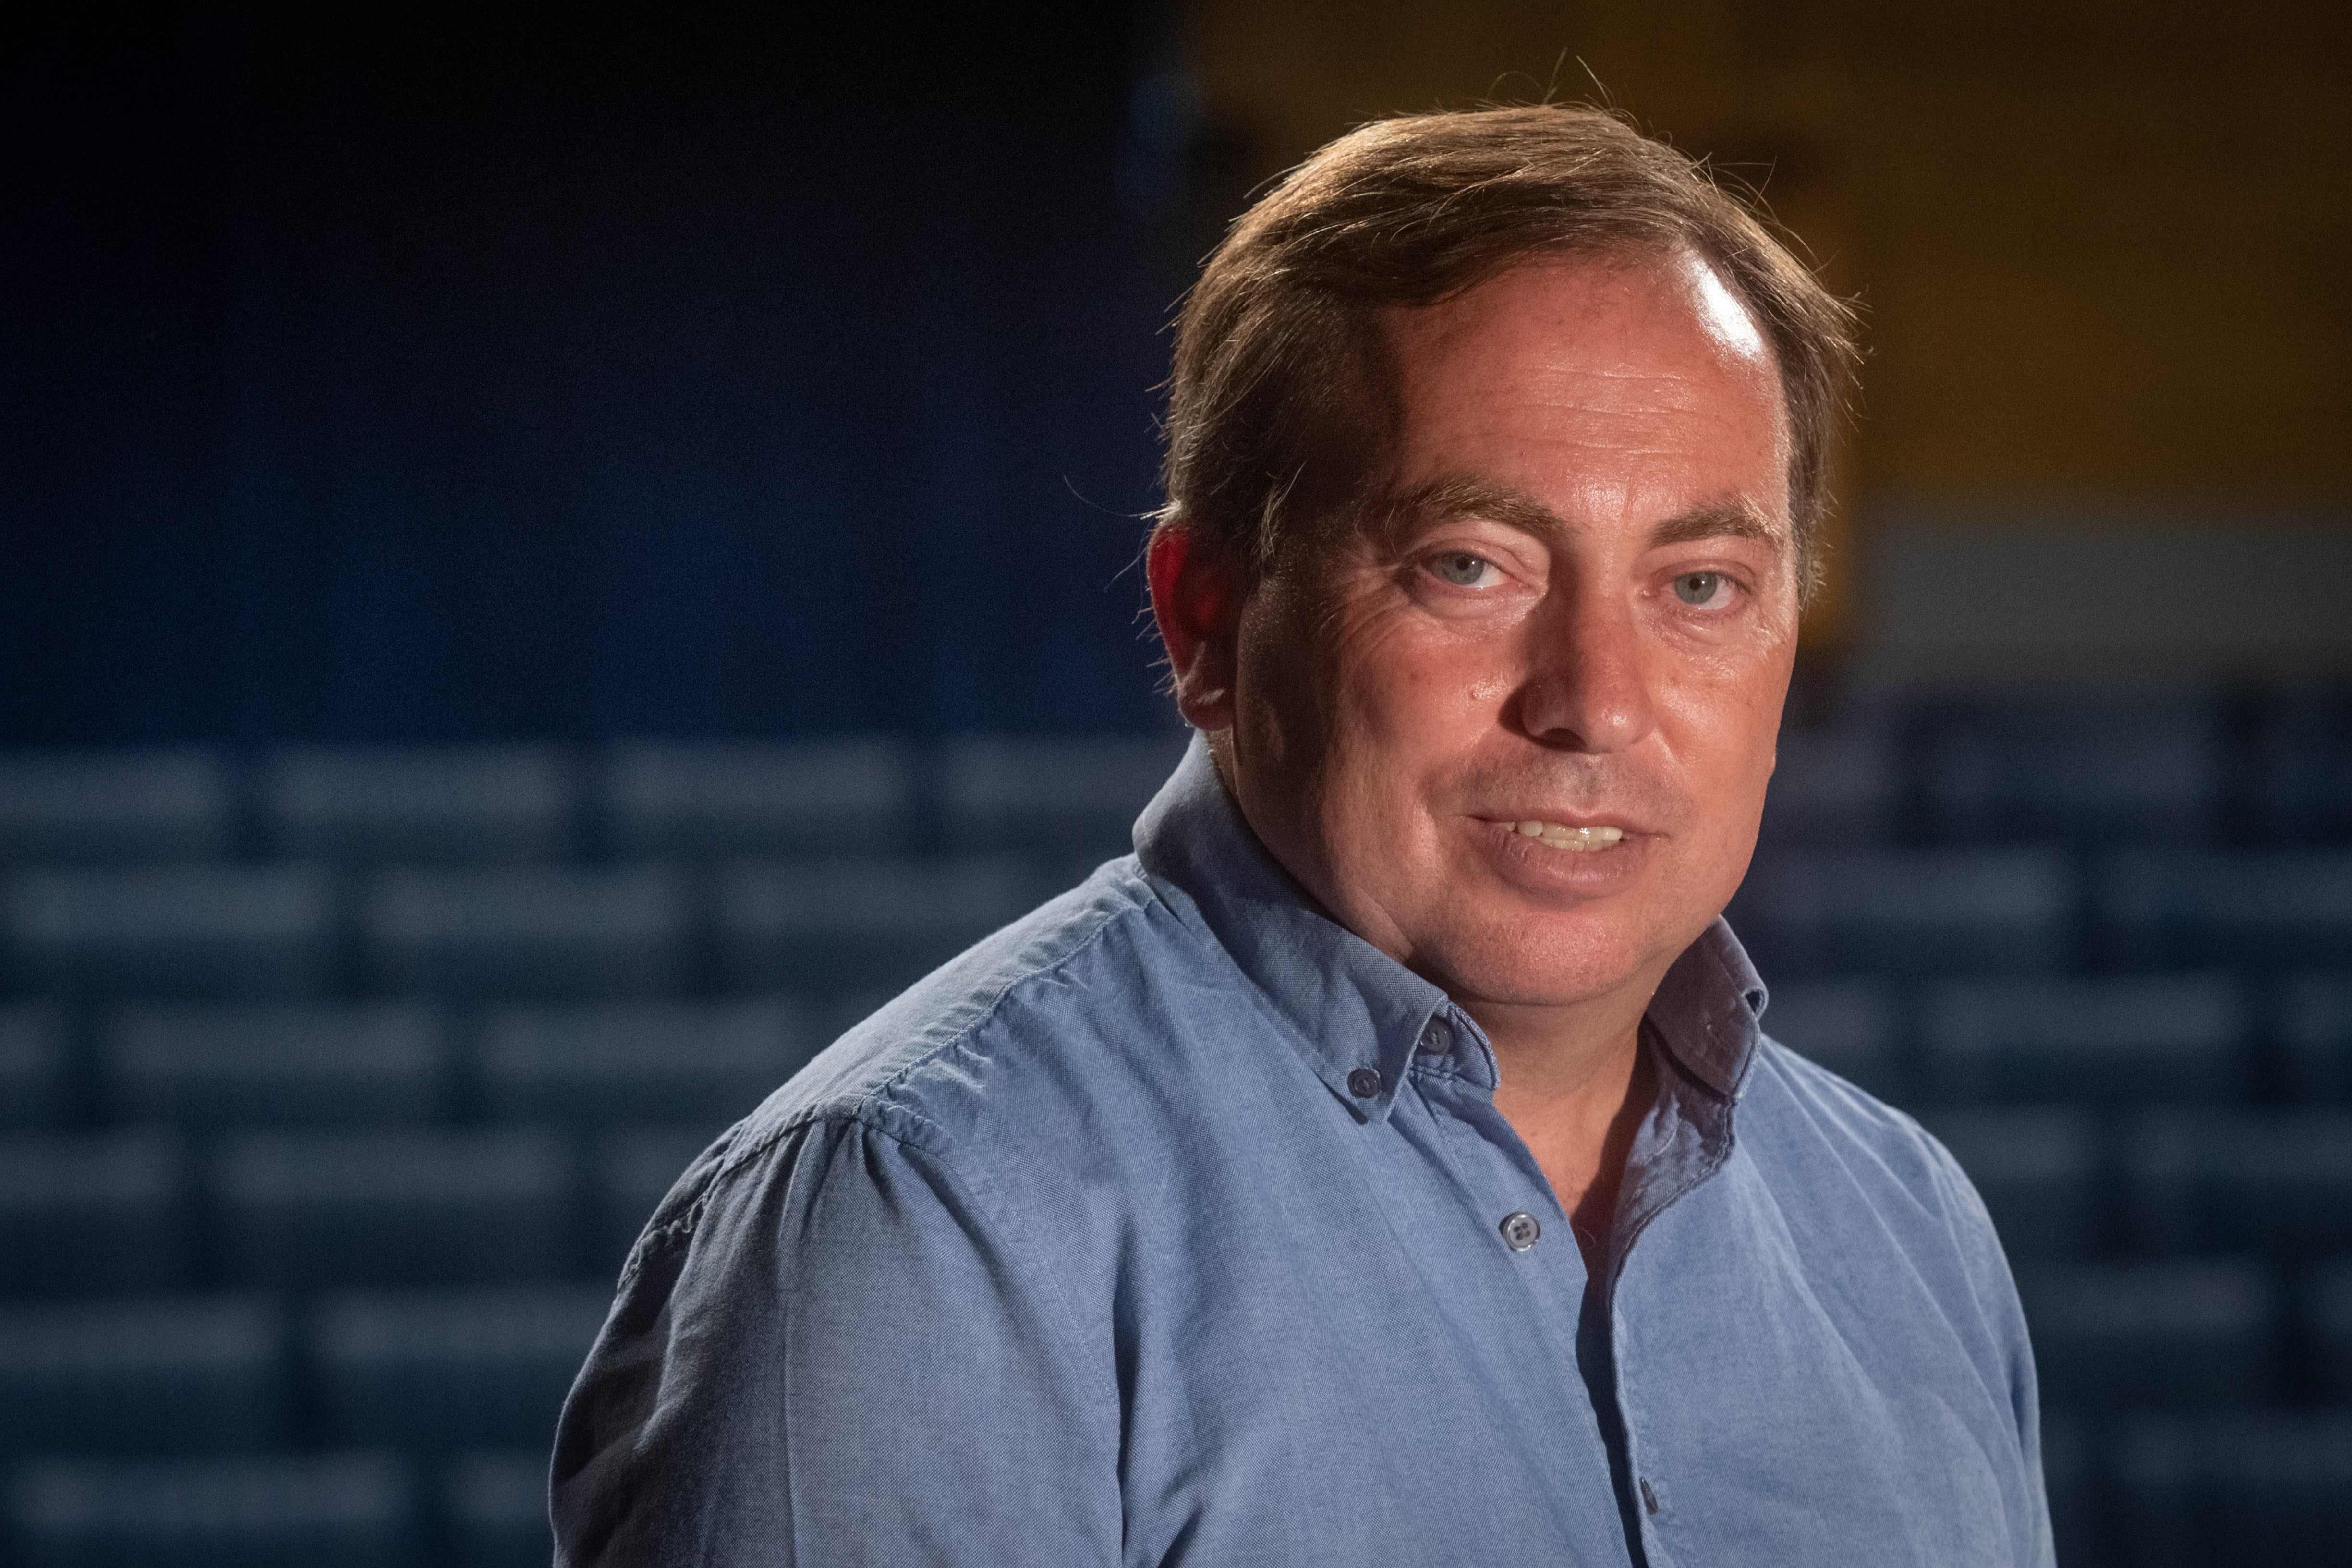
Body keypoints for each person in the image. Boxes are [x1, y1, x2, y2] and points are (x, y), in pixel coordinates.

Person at [552, 104, 2051, 1567]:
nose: (1595, 704)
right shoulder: (917, 1233)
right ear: (1206, 620)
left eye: (1701, 585)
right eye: (1469, 565)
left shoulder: (1907, 1229)